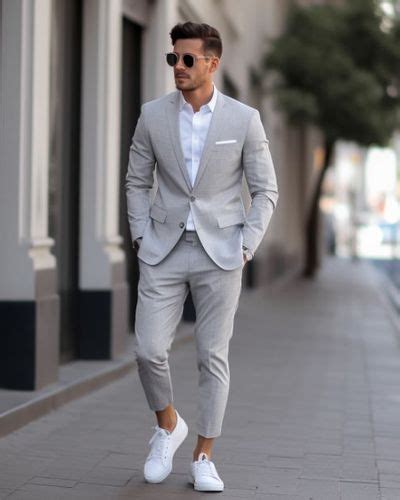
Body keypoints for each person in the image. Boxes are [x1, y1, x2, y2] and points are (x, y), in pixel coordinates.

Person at [125, 21, 278, 492]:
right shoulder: (152, 115)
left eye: (188, 59)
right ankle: (168, 425)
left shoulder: (243, 119)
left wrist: (246, 243)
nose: (178, 67)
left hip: (222, 252)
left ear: (212, 63)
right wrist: (138, 238)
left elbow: (265, 190)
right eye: (173, 58)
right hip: (162, 249)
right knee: (149, 349)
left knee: (212, 356)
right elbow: (136, 181)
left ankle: (204, 456)